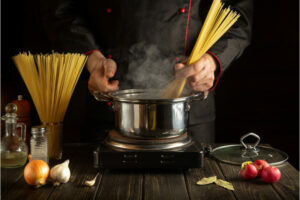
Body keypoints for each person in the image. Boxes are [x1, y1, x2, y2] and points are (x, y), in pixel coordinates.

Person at [40, 0, 253, 143]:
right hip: (110, 103)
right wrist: (91, 57)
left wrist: (212, 61)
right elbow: (60, 10)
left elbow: (239, 17)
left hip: (188, 107)